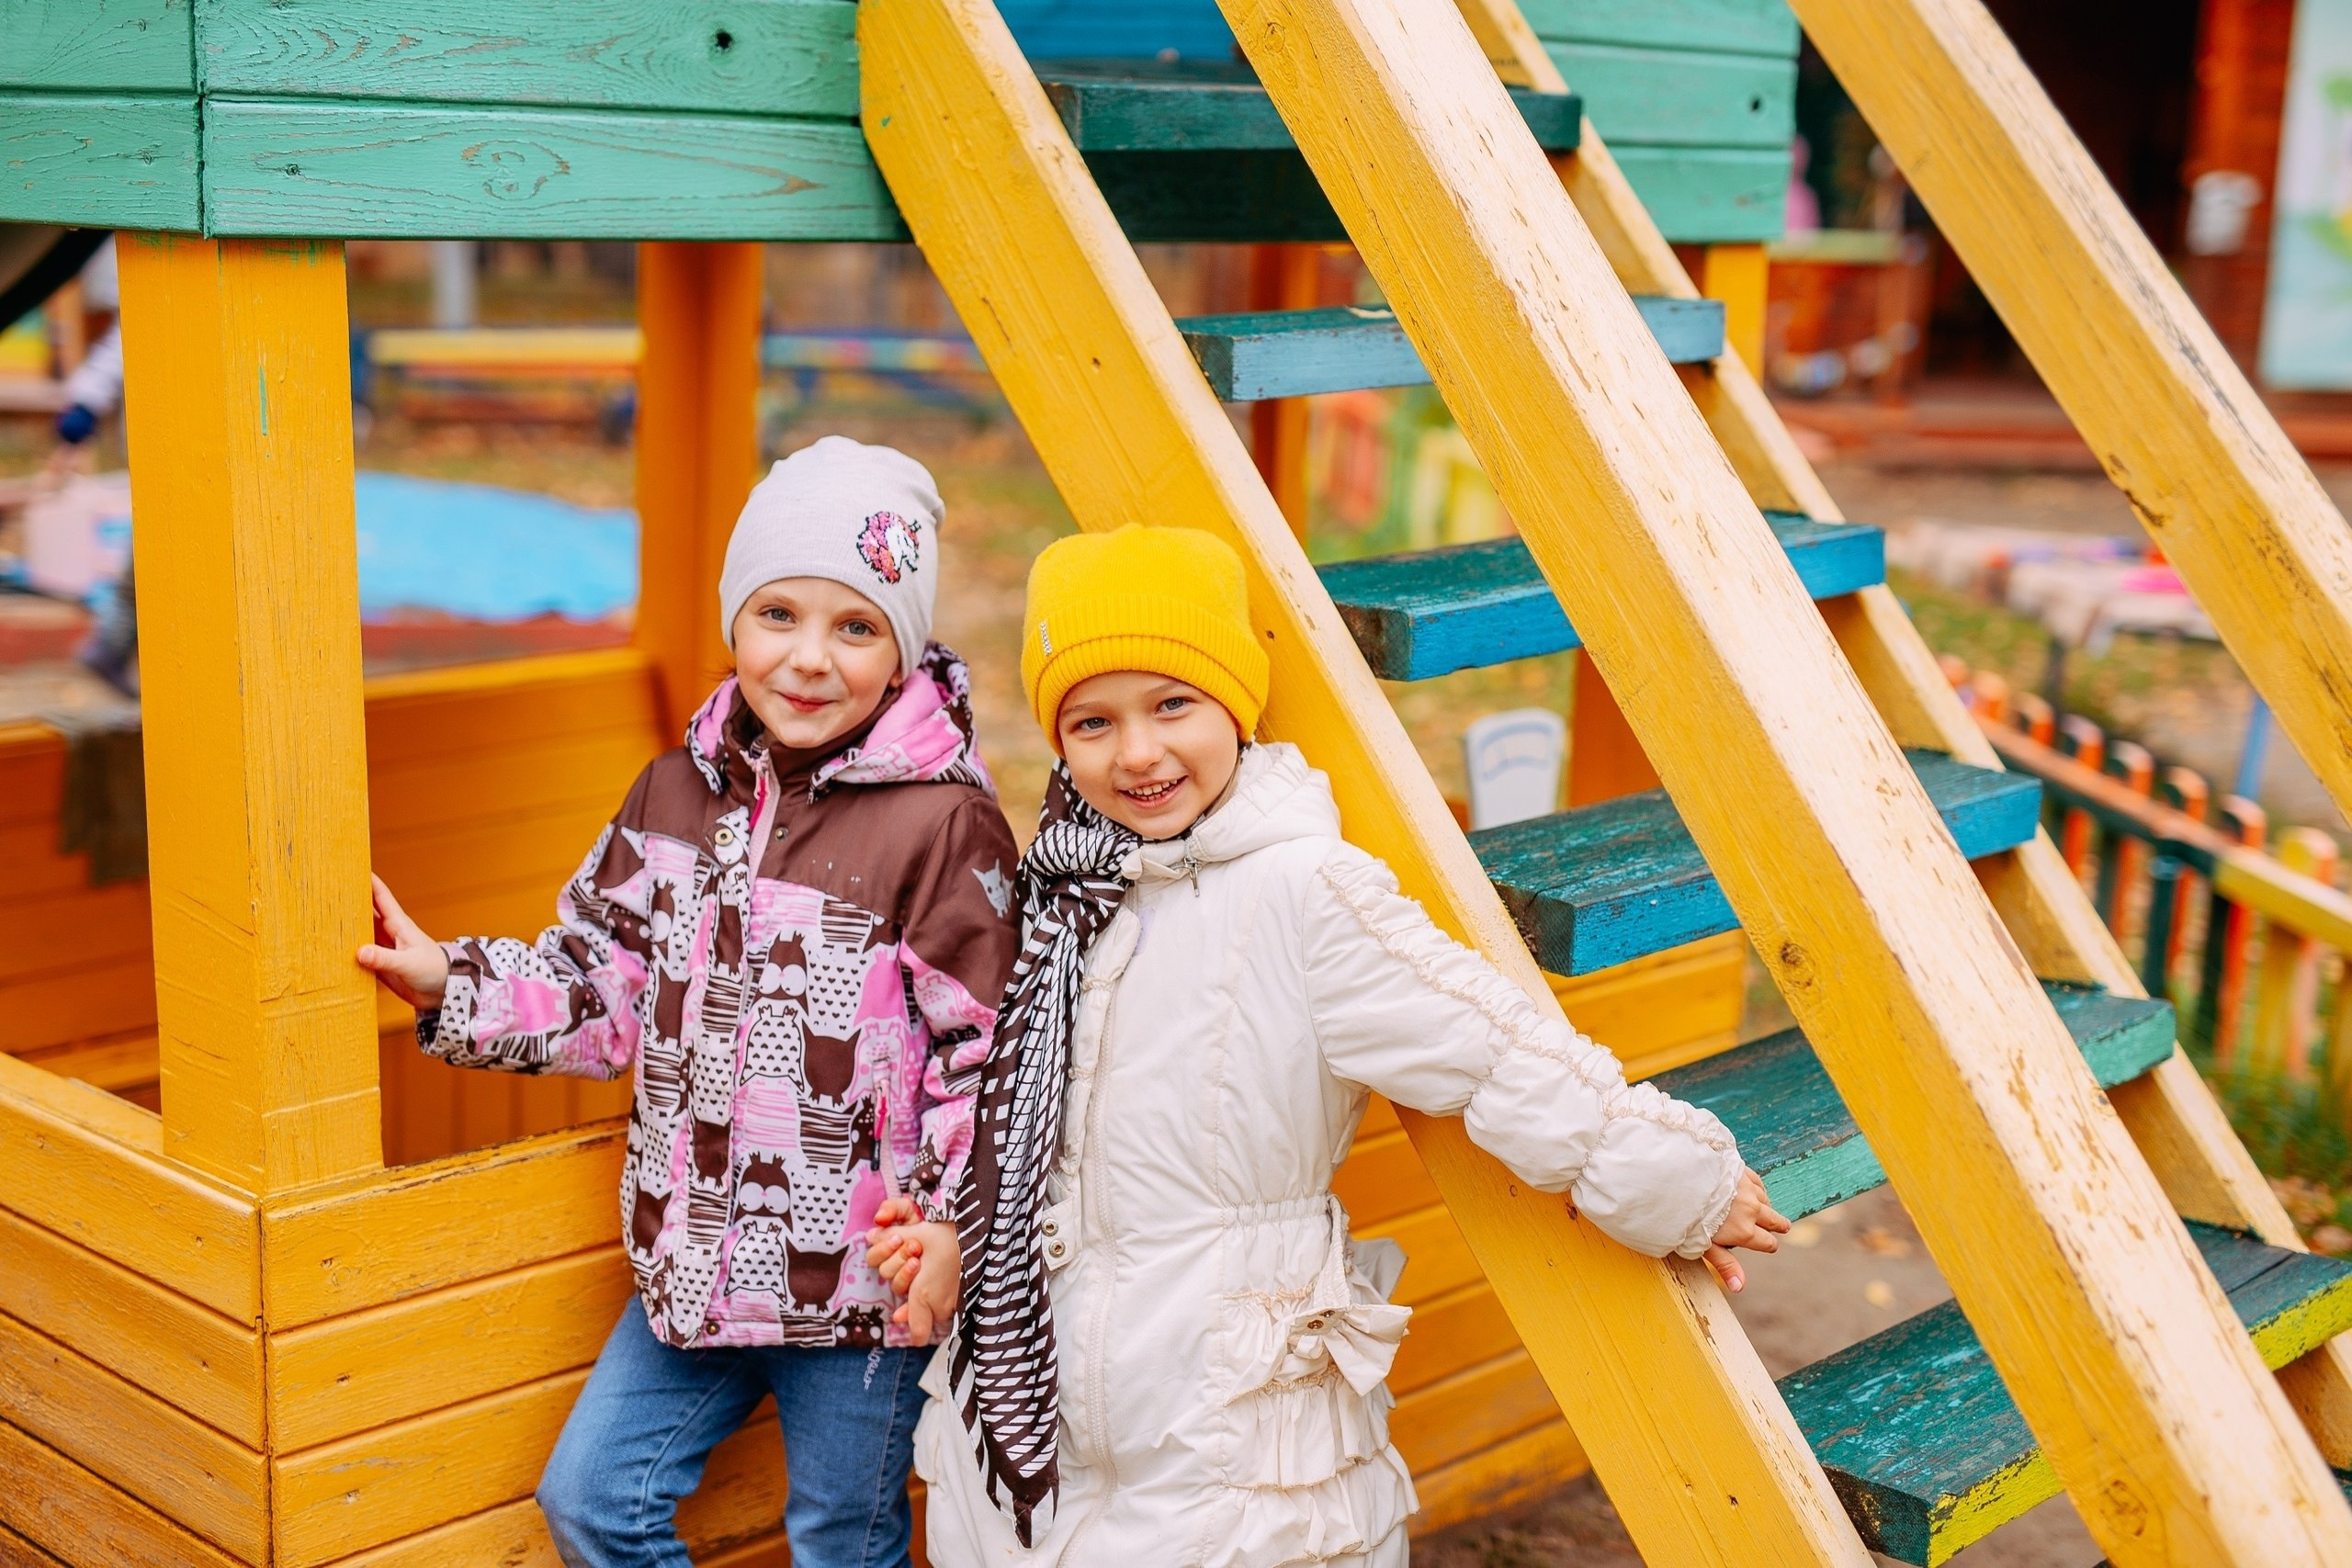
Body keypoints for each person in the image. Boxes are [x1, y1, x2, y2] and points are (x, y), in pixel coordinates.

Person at [869, 525, 1787, 1565]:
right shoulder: (1060, 895)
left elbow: (1493, 1052)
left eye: (1173, 704)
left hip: (1222, 1420)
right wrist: (957, 1228)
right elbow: (1020, 1120)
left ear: (1236, 706)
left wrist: (1669, 1180)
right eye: (1093, 720)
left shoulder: (1303, 891)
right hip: (1042, 1406)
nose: (1136, 752)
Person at [356, 436, 1021, 1568]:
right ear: (734, 620)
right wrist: (452, 982)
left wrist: (952, 1227)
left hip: (862, 1295)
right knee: (591, 1501)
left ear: (902, 649)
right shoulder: (672, 795)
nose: (810, 659)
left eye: (855, 627)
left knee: (840, 1540)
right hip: (690, 1275)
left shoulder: (941, 823)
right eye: (778, 615)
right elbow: (600, 983)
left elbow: (987, 1055)